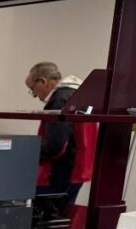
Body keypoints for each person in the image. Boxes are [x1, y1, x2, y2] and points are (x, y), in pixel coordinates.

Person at [24, 62, 95, 207]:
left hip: (60, 172)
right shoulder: (79, 94)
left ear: (43, 81)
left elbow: (56, 144)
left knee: (44, 217)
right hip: (78, 169)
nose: (35, 95)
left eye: (32, 89)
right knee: (62, 216)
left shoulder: (59, 100)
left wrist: (29, 157)